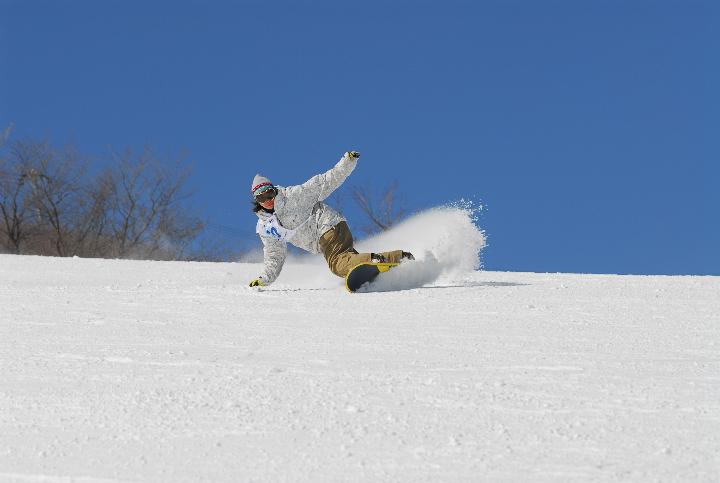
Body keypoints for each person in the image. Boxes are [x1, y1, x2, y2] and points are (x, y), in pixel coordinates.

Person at [249, 151, 414, 287]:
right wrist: (265, 279)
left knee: (337, 264)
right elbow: (274, 254)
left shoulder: (293, 196)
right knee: (349, 262)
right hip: (327, 238)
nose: (267, 200)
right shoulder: (266, 227)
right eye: (261, 198)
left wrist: (348, 161)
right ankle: (398, 259)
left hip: (328, 227)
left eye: (269, 194)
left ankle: (376, 260)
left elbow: (326, 182)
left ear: (274, 190)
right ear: (257, 201)